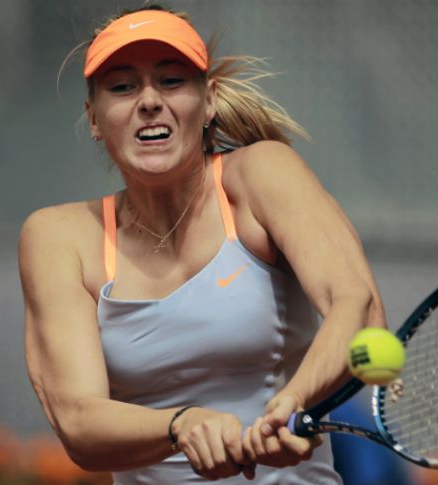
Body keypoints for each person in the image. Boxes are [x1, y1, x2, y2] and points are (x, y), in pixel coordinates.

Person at [19, 4, 388, 483]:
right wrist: (182, 424)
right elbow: (77, 421)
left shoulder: (264, 173)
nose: (149, 101)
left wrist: (292, 403)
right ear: (94, 117)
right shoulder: (56, 236)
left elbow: (358, 308)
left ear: (209, 100)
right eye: (123, 87)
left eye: (171, 81)